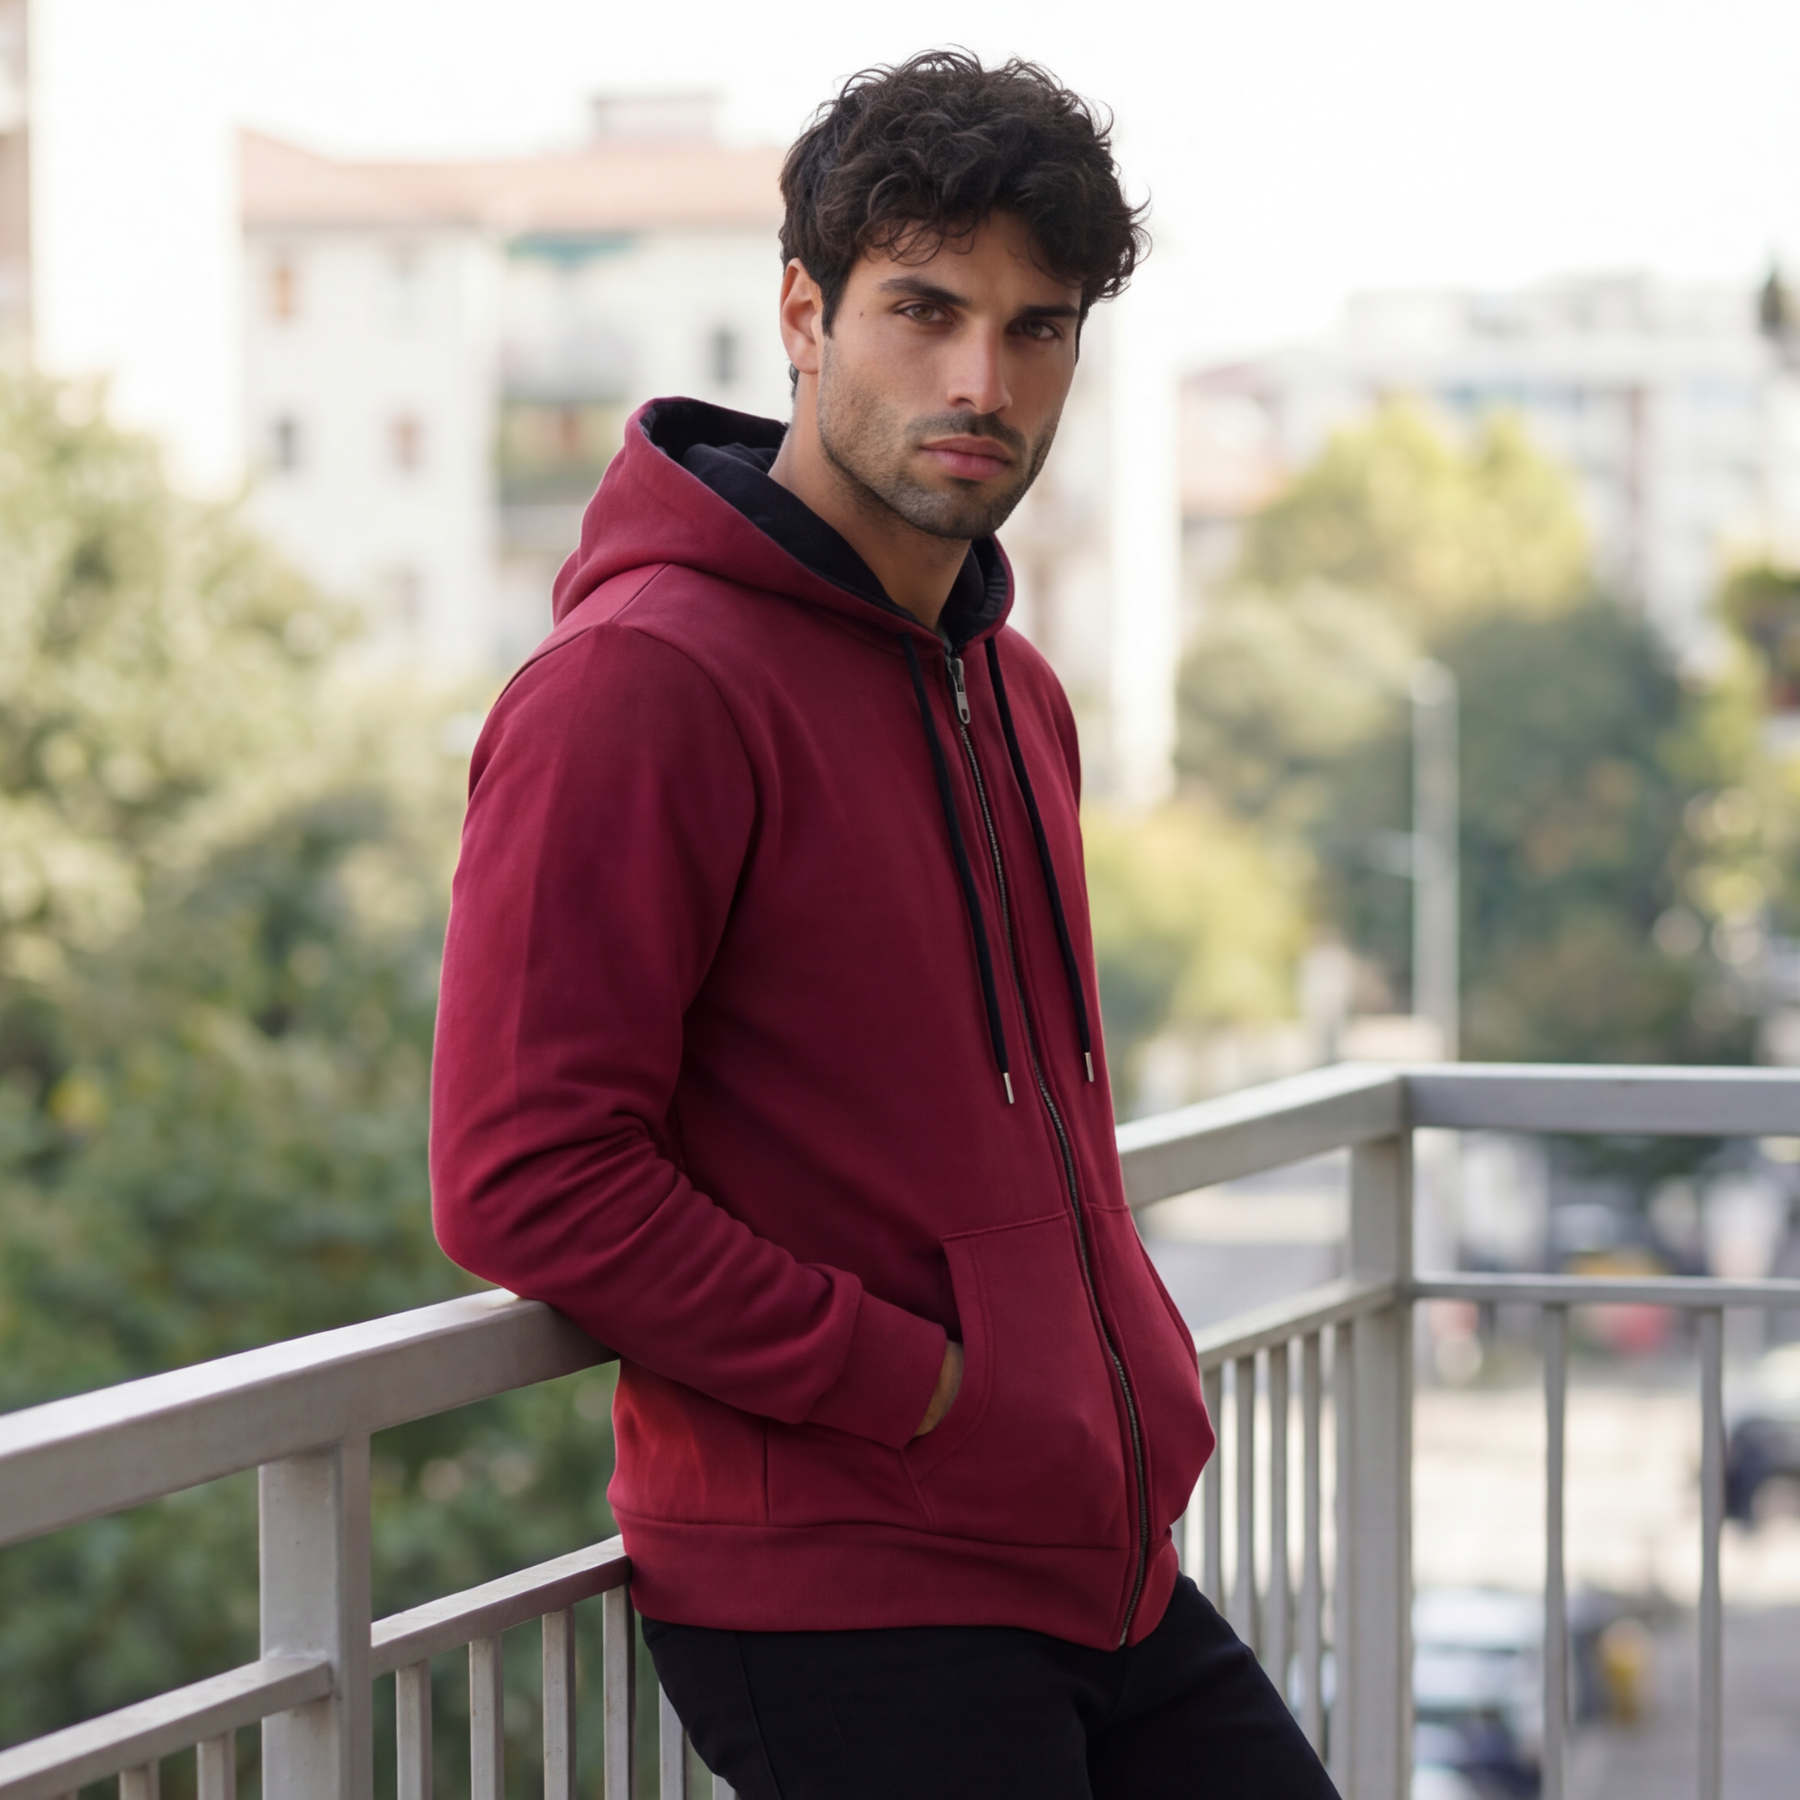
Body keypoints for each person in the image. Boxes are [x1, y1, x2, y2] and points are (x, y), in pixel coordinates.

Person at [431, 49, 1338, 1799]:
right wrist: (914, 1383)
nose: (980, 379)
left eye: (1035, 327)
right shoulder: (640, 686)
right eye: (924, 310)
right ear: (804, 314)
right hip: (850, 1590)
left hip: (1091, 1557)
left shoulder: (1014, 689)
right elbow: (527, 1175)